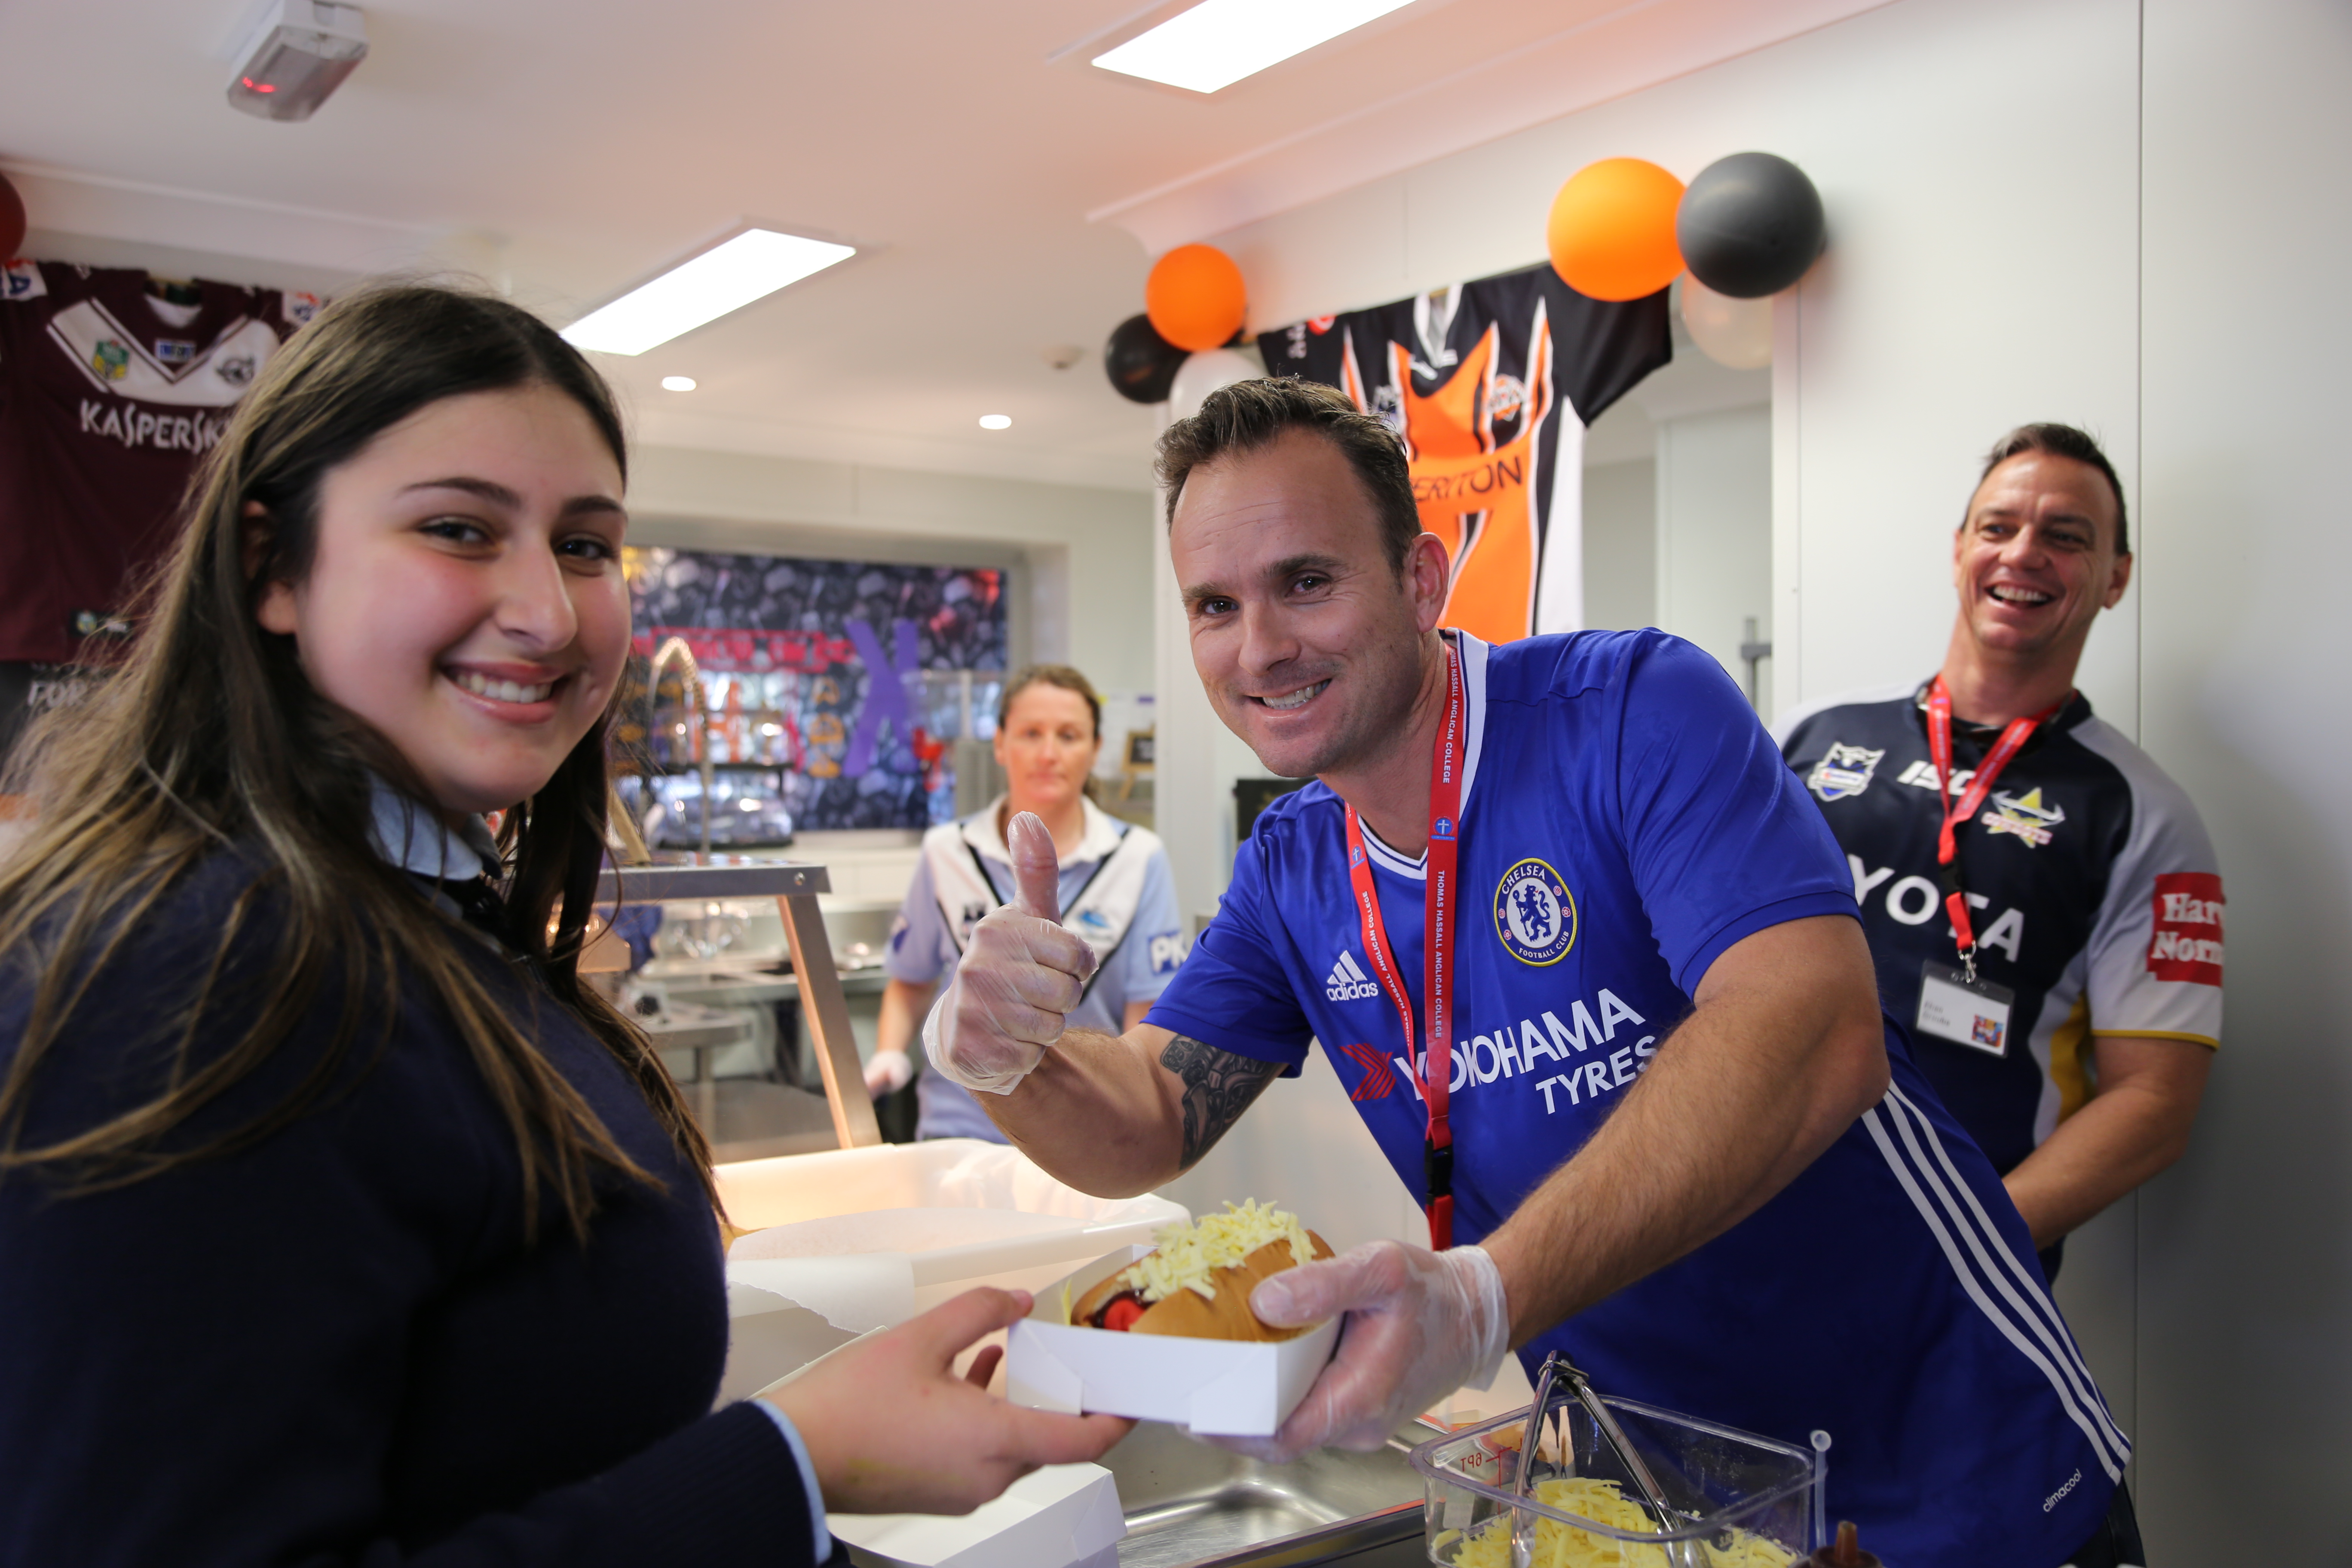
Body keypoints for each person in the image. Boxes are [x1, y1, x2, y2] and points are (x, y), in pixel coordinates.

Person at [918, 378, 2144, 1568]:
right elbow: (1146, 1117)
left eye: (1306, 582)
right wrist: (1012, 1058)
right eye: (1214, 606)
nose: (1263, 647)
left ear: (1420, 578)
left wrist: (1483, 1298)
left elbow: (1817, 1031)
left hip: (1944, 1454)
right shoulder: (1293, 866)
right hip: (1657, 1488)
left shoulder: (1627, 711)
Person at [0, 284, 1127, 1568]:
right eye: (459, 529)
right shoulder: (196, 971)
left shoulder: (418, 923)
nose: (546, 609)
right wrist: (793, 1464)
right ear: (274, 568)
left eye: (586, 546)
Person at [1776, 424, 2219, 1285]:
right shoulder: (1807, 734)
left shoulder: (2144, 814)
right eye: (1999, 526)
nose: (2025, 553)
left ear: (2115, 577)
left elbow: (2155, 1103)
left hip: (1953, 1281)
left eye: (2065, 536)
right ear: (1958, 553)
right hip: (1745, 1221)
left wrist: (1965, 1247)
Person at [862, 665, 1183, 1141]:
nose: (1049, 754)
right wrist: (889, 1053)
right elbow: (910, 982)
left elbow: (1148, 1017)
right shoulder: (947, 851)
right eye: (1031, 733)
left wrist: (1139, 1115)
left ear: (1096, 749)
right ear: (999, 743)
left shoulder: (1138, 858)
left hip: (1084, 1135)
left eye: (1069, 736)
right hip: (960, 1130)